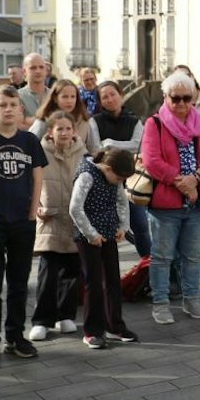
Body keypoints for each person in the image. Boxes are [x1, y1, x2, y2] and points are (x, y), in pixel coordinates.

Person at [140, 71, 200, 325]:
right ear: (166, 97)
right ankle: (161, 302)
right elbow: (152, 161)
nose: (182, 104)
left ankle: (192, 298)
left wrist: (195, 178)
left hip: (198, 203)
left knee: (194, 256)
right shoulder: (155, 124)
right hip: (166, 204)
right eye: (176, 99)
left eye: (187, 98)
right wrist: (183, 184)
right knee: (162, 256)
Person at [0, 84, 46, 364]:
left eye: (12, 105)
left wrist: (32, 212)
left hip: (22, 222)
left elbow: (37, 178)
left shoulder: (29, 141)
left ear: (20, 110)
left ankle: (15, 335)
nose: (7, 109)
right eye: (2, 105)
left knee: (19, 283)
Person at [71, 146, 139, 348]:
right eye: (118, 178)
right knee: (94, 282)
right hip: (87, 236)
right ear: (108, 169)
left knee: (112, 280)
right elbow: (75, 208)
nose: (120, 182)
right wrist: (91, 234)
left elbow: (122, 201)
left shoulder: (114, 178)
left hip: (109, 232)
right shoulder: (87, 175)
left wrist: (123, 226)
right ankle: (92, 330)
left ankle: (115, 326)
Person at [28, 109, 87, 341]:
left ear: (74, 131)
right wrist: (36, 206)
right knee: (47, 272)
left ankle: (66, 315)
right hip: (49, 218)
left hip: (74, 220)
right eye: (59, 128)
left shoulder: (83, 152)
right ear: (50, 132)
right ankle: (41, 319)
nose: (64, 132)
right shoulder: (40, 152)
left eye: (68, 128)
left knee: (71, 272)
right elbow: (30, 181)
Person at [93, 81, 153, 261]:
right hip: (103, 182)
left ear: (120, 94)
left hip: (131, 181)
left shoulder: (134, 121)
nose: (110, 99)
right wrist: (118, 148)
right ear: (100, 101)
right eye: (105, 97)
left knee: (141, 225)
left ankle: (148, 263)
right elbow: (96, 149)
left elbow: (139, 145)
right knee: (105, 229)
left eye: (113, 94)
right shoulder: (94, 121)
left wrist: (110, 144)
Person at [31, 80, 104, 154]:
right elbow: (29, 145)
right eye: (65, 97)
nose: (69, 101)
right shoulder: (43, 121)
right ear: (55, 98)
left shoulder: (86, 120)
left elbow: (95, 149)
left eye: (73, 97)